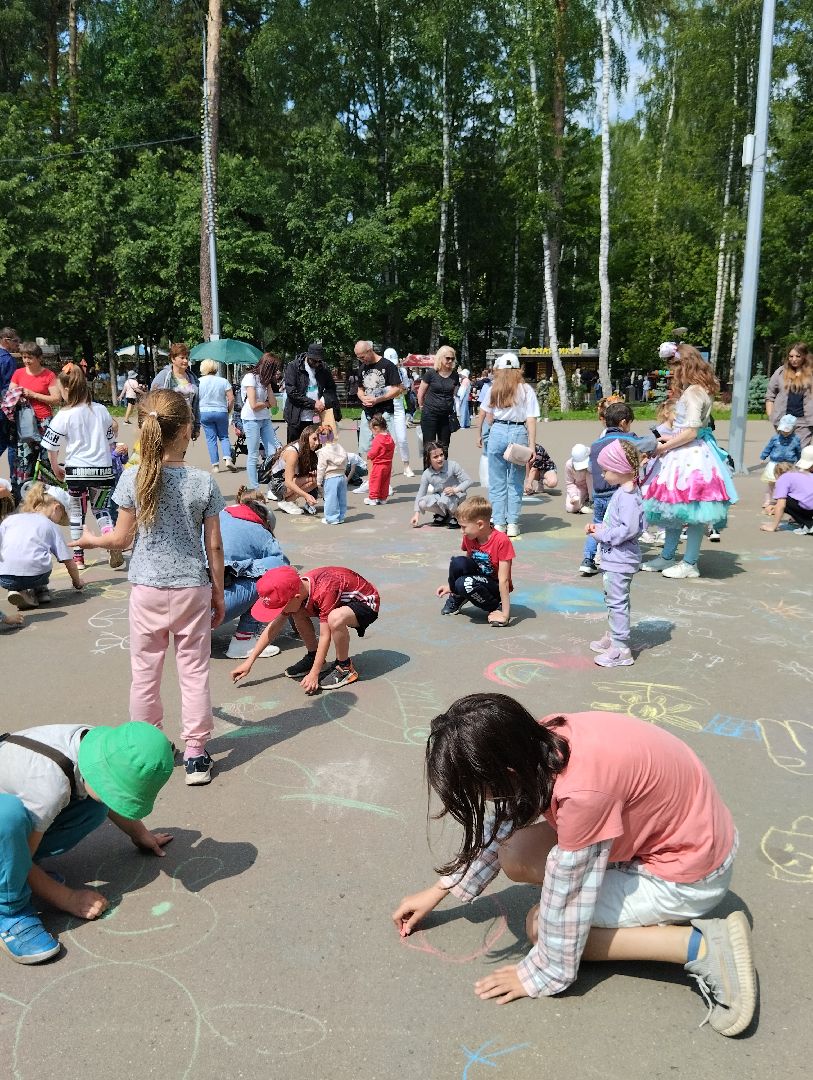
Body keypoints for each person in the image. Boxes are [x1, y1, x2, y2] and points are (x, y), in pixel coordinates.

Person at [392, 694, 756, 1038]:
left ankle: (701, 946)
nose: (481, 798)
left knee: (541, 928)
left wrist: (539, 974)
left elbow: (569, 896)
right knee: (515, 852)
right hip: (685, 837)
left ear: (506, 771)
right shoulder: (544, 737)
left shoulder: (583, 796)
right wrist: (439, 890)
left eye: (477, 789)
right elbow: (508, 818)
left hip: (687, 876)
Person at [76, 390, 225, 787]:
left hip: (147, 587)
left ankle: (147, 746)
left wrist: (91, 541)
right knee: (194, 671)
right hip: (192, 587)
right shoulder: (203, 482)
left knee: (144, 672)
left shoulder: (133, 477)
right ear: (187, 430)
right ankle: (196, 754)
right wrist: (219, 592)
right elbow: (214, 546)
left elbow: (122, 539)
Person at [0, 721, 174, 965]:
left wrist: (139, 833)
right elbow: (22, 861)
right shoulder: (48, 785)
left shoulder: (96, 745)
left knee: (94, 807)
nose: (115, 799)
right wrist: (67, 898)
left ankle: (10, 873)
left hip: (29, 796)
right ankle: (9, 909)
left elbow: (104, 794)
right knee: (7, 817)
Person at [642, 344, 737, 580]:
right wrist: (669, 439)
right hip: (687, 453)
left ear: (684, 365)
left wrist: (663, 446)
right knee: (676, 508)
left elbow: (691, 432)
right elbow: (690, 430)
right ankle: (668, 556)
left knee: (692, 510)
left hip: (690, 458)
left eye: (674, 367)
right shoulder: (697, 389)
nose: (672, 373)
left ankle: (690, 562)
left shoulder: (694, 392)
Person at [231, 564, 381, 692]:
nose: (279, 612)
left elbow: (325, 635)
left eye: (280, 608)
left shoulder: (325, 591)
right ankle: (314, 656)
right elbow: (274, 627)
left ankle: (345, 667)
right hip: (339, 601)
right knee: (297, 611)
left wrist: (314, 674)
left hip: (366, 603)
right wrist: (249, 662)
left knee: (334, 619)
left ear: (296, 597)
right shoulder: (295, 590)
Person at [42, 365, 124, 570]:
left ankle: (78, 557)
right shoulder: (101, 410)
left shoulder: (64, 414)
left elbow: (51, 446)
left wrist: (55, 468)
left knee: (77, 513)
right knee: (102, 509)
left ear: (66, 389)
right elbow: (110, 439)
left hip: (77, 472)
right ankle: (111, 542)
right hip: (103, 471)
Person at [585, 440, 644, 668]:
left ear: (620, 468)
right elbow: (618, 525)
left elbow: (628, 530)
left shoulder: (628, 497)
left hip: (621, 559)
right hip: (615, 558)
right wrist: (600, 528)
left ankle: (621, 649)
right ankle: (614, 636)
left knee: (617, 602)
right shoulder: (623, 492)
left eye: (606, 470)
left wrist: (601, 534)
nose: (603, 474)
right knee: (613, 599)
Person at [580, 401, 654, 577]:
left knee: (597, 524)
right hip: (615, 493)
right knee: (616, 525)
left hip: (599, 493)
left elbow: (591, 467)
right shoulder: (628, 441)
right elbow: (651, 443)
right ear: (623, 422)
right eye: (629, 423)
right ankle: (616, 557)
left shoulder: (596, 443)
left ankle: (587, 559)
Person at [220, 486, 288, 659]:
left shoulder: (215, 517)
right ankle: (243, 641)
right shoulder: (261, 532)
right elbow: (284, 570)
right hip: (210, 611)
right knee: (276, 577)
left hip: (173, 609)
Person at [477, 353, 539, 538]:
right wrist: (532, 445)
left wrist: (479, 434)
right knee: (515, 480)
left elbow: (484, 412)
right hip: (518, 431)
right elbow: (531, 419)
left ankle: (498, 522)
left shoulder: (493, 389)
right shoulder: (526, 390)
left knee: (497, 480)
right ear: (518, 369)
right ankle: (512, 522)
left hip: (497, 430)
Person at [0, 484, 83, 610]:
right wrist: (77, 582)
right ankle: (39, 591)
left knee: (17, 554)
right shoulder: (50, 525)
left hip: (4, 577)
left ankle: (15, 589)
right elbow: (68, 562)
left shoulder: (10, 520)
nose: (59, 520)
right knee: (39, 558)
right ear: (56, 508)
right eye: (61, 516)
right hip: (35, 577)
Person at [436, 496, 513, 624]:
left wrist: (505, 614)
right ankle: (457, 596)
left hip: (493, 587)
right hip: (476, 578)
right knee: (457, 562)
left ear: (480, 524)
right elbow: (467, 563)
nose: (461, 531)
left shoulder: (501, 541)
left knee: (465, 583)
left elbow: (504, 580)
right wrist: (452, 586)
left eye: (464, 527)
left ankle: (495, 607)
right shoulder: (470, 536)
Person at [9, 341, 60, 496]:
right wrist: (16, 397)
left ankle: (48, 495)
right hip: (25, 422)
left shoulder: (48, 375)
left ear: (39, 358)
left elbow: (56, 399)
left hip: (44, 421)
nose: (26, 361)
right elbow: (11, 395)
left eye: (30, 357)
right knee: (25, 459)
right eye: (24, 357)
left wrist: (33, 395)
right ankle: (24, 495)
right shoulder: (18, 373)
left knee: (47, 459)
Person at [354, 340, 402, 464]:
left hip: (384, 412)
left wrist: (377, 400)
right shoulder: (362, 368)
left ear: (370, 350)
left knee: (385, 447)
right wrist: (362, 398)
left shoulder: (388, 365)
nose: (361, 360)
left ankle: (385, 475)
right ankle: (371, 475)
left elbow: (397, 389)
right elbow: (360, 389)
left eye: (362, 357)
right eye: (358, 358)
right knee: (367, 449)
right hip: (367, 413)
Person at [283, 344, 340, 445]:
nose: (317, 364)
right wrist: (313, 404)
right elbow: (292, 392)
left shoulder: (324, 368)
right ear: (308, 356)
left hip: (318, 417)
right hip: (296, 417)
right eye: (314, 361)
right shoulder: (293, 367)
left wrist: (322, 401)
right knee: (295, 446)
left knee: (317, 446)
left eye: (319, 361)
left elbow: (331, 388)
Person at [240, 352, 281, 489]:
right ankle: (254, 488)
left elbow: (274, 403)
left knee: (273, 453)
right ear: (268, 367)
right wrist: (267, 403)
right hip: (251, 419)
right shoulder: (250, 378)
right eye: (275, 369)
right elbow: (254, 405)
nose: (277, 373)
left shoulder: (266, 381)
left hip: (265, 418)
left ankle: (272, 487)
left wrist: (268, 386)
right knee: (253, 454)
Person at [411, 442, 473, 529]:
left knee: (445, 498)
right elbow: (421, 493)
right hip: (440, 497)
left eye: (441, 455)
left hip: (457, 497)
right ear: (428, 459)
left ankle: (456, 515)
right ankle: (443, 514)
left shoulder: (453, 465)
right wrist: (416, 514)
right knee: (422, 502)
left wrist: (455, 490)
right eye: (435, 457)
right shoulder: (427, 474)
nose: (440, 458)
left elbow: (469, 481)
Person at [765, 343, 813, 448]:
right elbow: (770, 395)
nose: (794, 359)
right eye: (791, 356)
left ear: (804, 356)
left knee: (800, 451)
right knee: (784, 452)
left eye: (798, 356)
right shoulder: (780, 372)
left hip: (805, 422)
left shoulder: (811, 373)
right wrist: (771, 415)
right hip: (783, 421)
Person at [267, 424, 321, 516]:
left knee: (316, 477)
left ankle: (290, 500)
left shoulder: (307, 449)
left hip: (289, 480)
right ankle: (285, 501)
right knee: (314, 478)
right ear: (306, 437)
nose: (317, 443)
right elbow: (288, 482)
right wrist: (306, 495)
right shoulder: (293, 453)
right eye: (314, 439)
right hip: (278, 485)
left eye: (319, 439)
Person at [150, 343, 200, 439]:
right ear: (173, 359)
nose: (185, 361)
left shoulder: (192, 377)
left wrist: (196, 427)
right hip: (168, 422)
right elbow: (153, 398)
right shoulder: (164, 375)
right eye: (182, 358)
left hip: (186, 423)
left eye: (187, 358)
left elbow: (196, 404)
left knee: (182, 448)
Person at [198, 358, 235, 473]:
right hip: (221, 411)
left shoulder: (198, 382)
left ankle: (215, 465)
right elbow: (231, 398)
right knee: (224, 436)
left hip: (204, 412)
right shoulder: (223, 381)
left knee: (211, 438)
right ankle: (228, 459)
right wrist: (228, 410)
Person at [418, 346, 460, 448]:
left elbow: (453, 394)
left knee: (444, 446)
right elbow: (421, 393)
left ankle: (443, 460)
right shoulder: (431, 373)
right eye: (447, 358)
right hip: (430, 415)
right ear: (440, 358)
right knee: (429, 446)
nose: (450, 361)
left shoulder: (455, 375)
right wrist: (422, 406)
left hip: (446, 416)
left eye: (452, 358)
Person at [383, 348, 415, 477]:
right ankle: (388, 467)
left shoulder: (402, 371)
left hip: (399, 407)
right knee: (386, 440)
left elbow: (406, 389)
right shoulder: (381, 372)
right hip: (385, 408)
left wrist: (401, 389)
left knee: (402, 438)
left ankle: (406, 465)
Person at [759, 414, 801, 510]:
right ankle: (767, 500)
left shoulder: (796, 439)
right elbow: (768, 448)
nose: (785, 433)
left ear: (793, 429)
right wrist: (763, 457)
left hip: (788, 464)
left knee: (787, 484)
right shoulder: (775, 438)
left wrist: (800, 461)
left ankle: (784, 501)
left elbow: (798, 451)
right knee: (771, 483)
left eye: (787, 431)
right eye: (783, 430)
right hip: (775, 463)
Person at [760, 460, 813, 535]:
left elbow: (781, 505)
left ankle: (809, 525)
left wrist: (773, 526)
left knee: (783, 501)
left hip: (808, 507)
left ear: (777, 473)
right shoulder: (806, 474)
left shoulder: (783, 478)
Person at [316, 424, 349, 525]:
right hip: (342, 476)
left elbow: (321, 467)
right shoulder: (340, 447)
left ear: (321, 438)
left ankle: (332, 518)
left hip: (331, 477)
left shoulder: (323, 451)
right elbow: (346, 459)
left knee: (331, 499)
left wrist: (319, 481)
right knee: (341, 497)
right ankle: (341, 516)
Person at [0, 327, 20, 468]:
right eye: (15, 341)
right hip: (4, 409)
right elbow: (10, 390)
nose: (17, 344)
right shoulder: (8, 360)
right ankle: (14, 478)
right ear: (6, 340)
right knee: (12, 443)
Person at [365, 413, 395, 506]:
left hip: (378, 464)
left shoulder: (378, 439)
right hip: (388, 464)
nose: (372, 433)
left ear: (376, 428)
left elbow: (374, 452)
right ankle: (383, 498)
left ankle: (373, 498)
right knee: (385, 482)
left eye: (372, 430)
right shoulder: (389, 437)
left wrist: (369, 455)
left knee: (375, 481)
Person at [564, 443, 592, 513]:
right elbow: (570, 483)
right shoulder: (569, 465)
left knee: (589, 474)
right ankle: (584, 501)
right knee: (570, 508)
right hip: (580, 488)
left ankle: (591, 500)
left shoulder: (593, 458)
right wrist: (574, 496)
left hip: (593, 487)